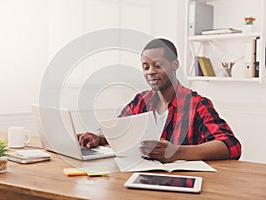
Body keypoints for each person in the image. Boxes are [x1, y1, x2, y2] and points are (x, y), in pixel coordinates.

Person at [78, 38, 242, 163]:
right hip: (140, 178)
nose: (151, 72)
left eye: (157, 65)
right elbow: (118, 128)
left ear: (175, 64)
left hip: (182, 185)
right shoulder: (141, 101)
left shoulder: (197, 104)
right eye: (146, 67)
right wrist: (98, 136)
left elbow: (230, 145)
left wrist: (176, 152)